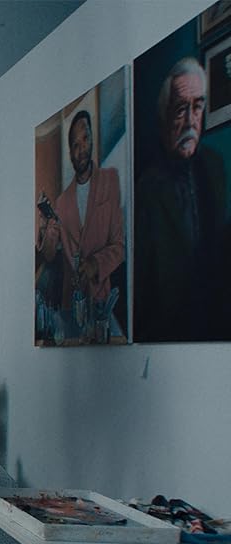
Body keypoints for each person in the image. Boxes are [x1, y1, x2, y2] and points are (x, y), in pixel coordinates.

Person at [135, 56, 230, 341]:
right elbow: (142, 286)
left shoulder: (214, 165)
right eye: (180, 110)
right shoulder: (146, 187)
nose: (191, 121)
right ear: (164, 116)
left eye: (197, 107)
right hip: (171, 332)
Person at [37, 110, 124, 337]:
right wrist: (47, 228)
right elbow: (49, 255)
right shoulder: (62, 202)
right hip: (71, 305)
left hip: (102, 302)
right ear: (70, 153)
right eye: (75, 145)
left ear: (92, 138)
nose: (81, 149)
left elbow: (119, 247)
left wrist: (95, 264)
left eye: (85, 139)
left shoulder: (110, 179)